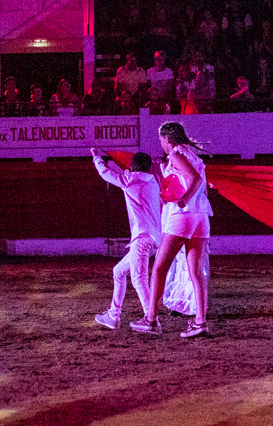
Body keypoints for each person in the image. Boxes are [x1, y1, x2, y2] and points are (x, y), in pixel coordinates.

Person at [130, 122, 213, 338]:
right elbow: (197, 181)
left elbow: (193, 180)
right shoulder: (193, 155)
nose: (161, 144)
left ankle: (150, 319)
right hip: (201, 216)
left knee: (159, 268)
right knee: (196, 272)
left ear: (167, 139)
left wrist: (184, 199)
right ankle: (200, 322)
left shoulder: (176, 154)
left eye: (161, 140)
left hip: (183, 216)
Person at [91, 148, 161, 330]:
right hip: (154, 237)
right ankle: (113, 316)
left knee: (139, 279)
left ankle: (151, 319)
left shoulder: (131, 180)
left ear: (132, 167)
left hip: (142, 238)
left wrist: (97, 158)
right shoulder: (153, 182)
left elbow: (107, 174)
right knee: (119, 271)